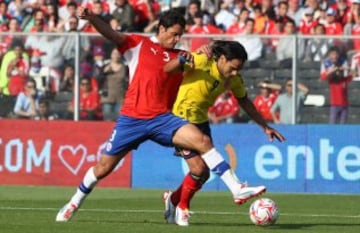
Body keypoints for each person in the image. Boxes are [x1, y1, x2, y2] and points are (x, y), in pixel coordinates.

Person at [55, 7, 283, 227]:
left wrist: (199, 53)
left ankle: (236, 188)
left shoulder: (182, 56)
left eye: (180, 36)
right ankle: (74, 202)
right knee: (103, 168)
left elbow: (181, 64)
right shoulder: (138, 44)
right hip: (132, 119)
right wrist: (93, 18)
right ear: (161, 29)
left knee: (203, 142)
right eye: (174, 34)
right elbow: (115, 36)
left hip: (163, 118)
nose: (176, 39)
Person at [163, 40, 286, 226]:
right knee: (198, 169)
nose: (235, 73)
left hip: (201, 121)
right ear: (221, 58)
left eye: (239, 69)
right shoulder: (203, 61)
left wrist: (265, 126)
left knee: (202, 175)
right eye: (233, 67)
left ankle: (173, 200)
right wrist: (185, 57)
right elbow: (168, 69)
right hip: (179, 119)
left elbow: (245, 101)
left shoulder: (234, 79)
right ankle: (184, 208)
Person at [320, 46, 352, 124]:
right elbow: (323, 76)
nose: (334, 56)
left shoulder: (345, 79)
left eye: (336, 54)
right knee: (332, 125)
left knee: (343, 126)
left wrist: (346, 68)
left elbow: (352, 74)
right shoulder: (332, 80)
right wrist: (332, 70)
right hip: (334, 105)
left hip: (344, 105)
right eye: (332, 54)